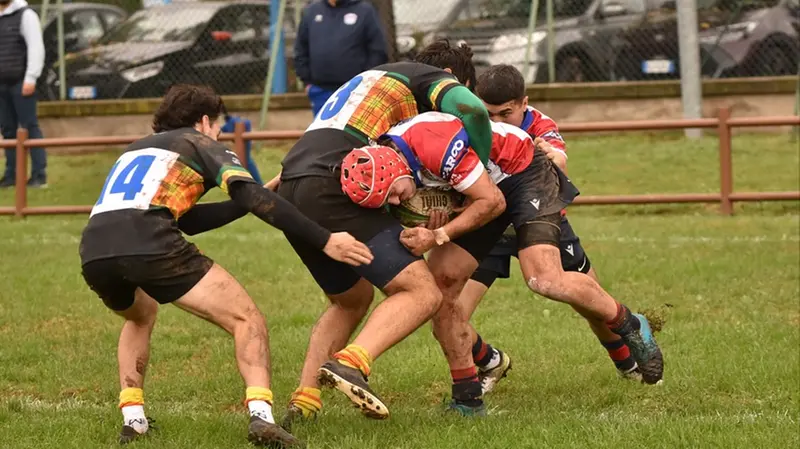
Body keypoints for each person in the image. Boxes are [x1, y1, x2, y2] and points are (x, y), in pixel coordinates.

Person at [78, 84, 373, 447]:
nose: (218, 134)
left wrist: (255, 198)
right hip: (149, 241)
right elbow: (247, 194)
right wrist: (326, 239)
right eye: (218, 127)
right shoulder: (199, 143)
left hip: (93, 250)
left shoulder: (137, 148)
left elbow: (188, 220)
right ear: (204, 122)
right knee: (247, 319)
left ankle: (133, 419)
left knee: (140, 316)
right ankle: (262, 417)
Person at [377, 112, 664, 417]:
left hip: (523, 174)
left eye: (393, 194)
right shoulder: (387, 153)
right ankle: (467, 399)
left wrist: (438, 235)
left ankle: (630, 324)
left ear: (395, 167)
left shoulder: (432, 144)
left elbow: (493, 203)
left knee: (545, 279)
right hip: (482, 191)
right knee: (439, 289)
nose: (395, 202)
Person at [276, 40, 493, 427]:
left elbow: (301, 164)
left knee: (349, 300)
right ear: (452, 80)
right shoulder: (429, 80)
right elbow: (473, 109)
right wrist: (479, 169)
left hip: (295, 182)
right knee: (422, 291)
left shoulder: (365, 84)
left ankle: (305, 401)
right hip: (336, 183)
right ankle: (351, 362)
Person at [465, 64, 644, 395]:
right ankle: (487, 363)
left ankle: (627, 362)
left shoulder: (539, 124)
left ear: (524, 104)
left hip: (542, 219)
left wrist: (544, 155)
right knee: (451, 310)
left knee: (589, 299)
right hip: (491, 225)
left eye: (506, 113)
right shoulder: (472, 125)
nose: (498, 123)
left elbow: (558, 157)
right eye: (490, 114)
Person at [294, 0, 389, 116]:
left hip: (356, 91)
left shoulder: (365, 11)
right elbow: (301, 48)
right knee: (323, 132)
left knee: (352, 132)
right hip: (320, 91)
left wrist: (365, 82)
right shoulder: (312, 11)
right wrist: (307, 82)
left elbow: (378, 50)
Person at [0, 0, 47, 188]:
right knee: (8, 130)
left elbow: (36, 47)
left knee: (29, 127)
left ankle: (38, 175)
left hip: (21, 82)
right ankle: (11, 175)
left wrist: (31, 77)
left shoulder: (26, 15)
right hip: (1, 83)